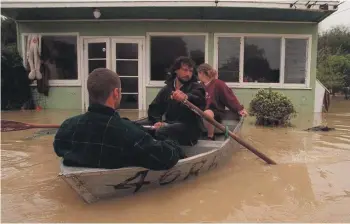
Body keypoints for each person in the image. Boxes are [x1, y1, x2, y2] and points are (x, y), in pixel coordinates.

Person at [53, 68, 185, 171]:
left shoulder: (67, 125)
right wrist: (167, 137)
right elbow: (168, 157)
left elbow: (58, 147)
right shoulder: (129, 133)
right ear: (116, 93)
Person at [143, 56, 206, 146]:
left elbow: (199, 99)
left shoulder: (196, 87)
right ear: (176, 70)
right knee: (136, 126)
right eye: (185, 70)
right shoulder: (167, 89)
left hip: (189, 129)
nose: (188, 74)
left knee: (162, 131)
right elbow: (155, 108)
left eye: (191, 71)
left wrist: (186, 97)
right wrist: (157, 121)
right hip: (169, 125)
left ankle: (177, 154)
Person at [197, 63, 248, 140]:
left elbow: (229, 98)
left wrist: (240, 109)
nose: (198, 75)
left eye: (198, 73)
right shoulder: (199, 85)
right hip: (200, 112)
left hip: (215, 112)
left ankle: (210, 136)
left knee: (207, 113)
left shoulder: (218, 84)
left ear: (201, 73)